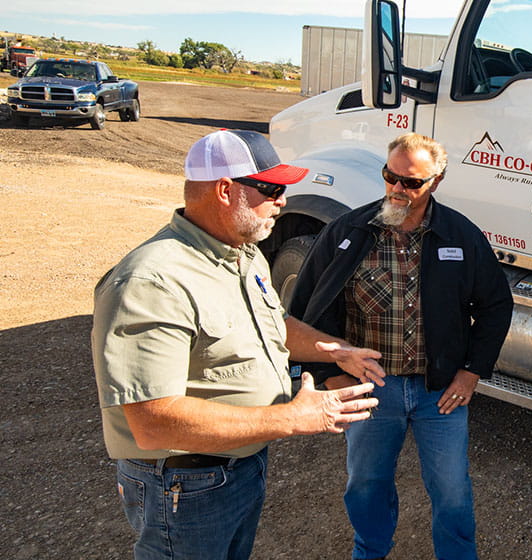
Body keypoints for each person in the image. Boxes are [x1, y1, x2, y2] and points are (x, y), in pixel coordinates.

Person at [92, 129, 381, 560]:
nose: (283, 201)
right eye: (271, 188)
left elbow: (272, 324)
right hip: (184, 487)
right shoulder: (152, 280)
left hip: (238, 468)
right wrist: (292, 419)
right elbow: (152, 422)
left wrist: (333, 348)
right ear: (225, 190)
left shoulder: (242, 253)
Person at [287, 132, 514, 560]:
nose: (397, 189)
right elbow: (307, 308)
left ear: (436, 182)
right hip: (370, 389)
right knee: (366, 485)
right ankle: (370, 552)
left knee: (451, 491)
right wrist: (329, 373)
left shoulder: (459, 235)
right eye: (391, 176)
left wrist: (471, 372)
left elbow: (497, 305)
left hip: (439, 393)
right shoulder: (347, 231)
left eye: (411, 183)